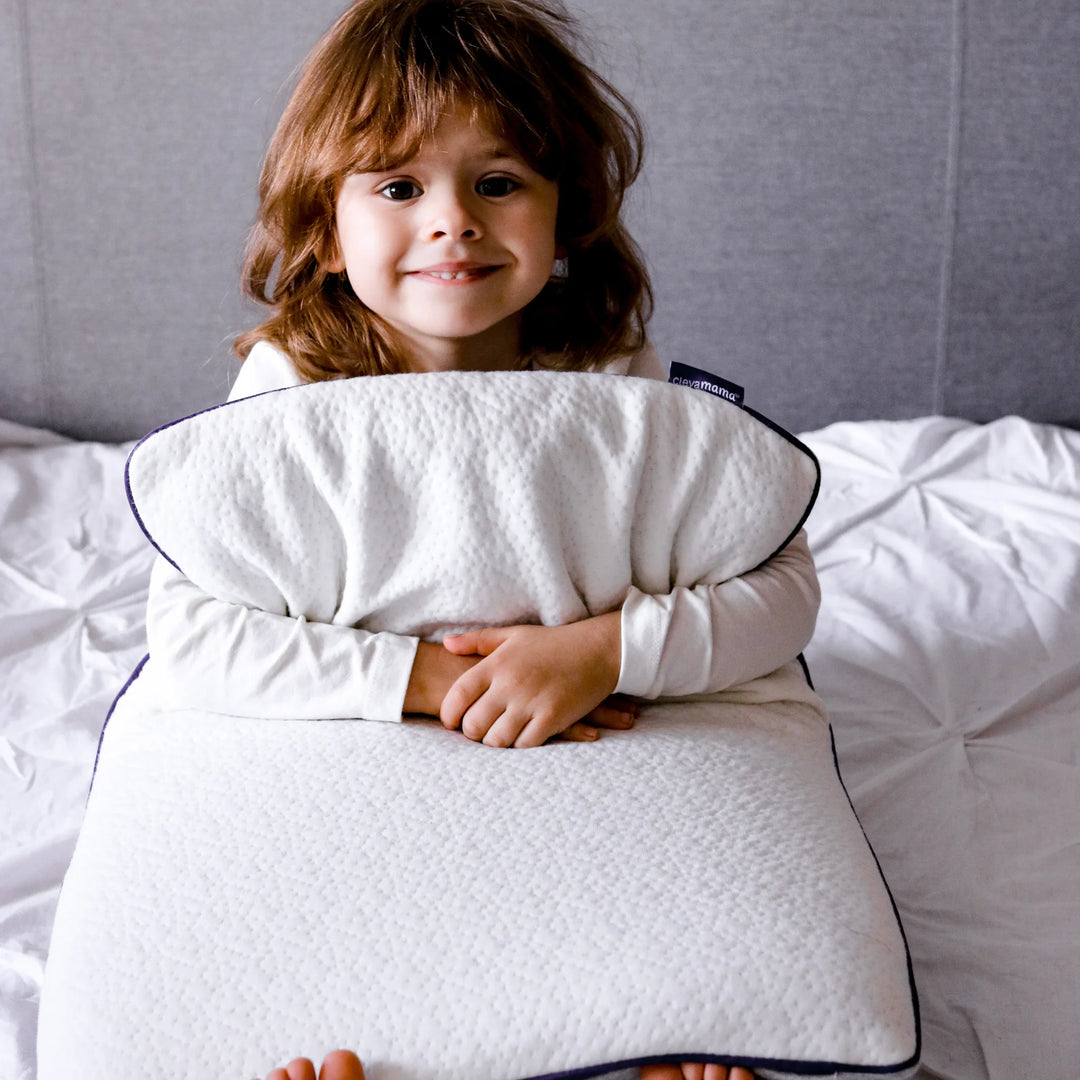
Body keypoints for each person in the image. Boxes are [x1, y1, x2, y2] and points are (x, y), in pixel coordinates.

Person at [148, 0, 816, 1076]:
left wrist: (601, 651)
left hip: (588, 733)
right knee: (317, 903)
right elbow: (190, 636)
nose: (453, 219)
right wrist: (419, 678)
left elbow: (781, 601)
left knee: (643, 893)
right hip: (370, 742)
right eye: (400, 186)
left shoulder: (615, 382)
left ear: (569, 211)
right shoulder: (287, 395)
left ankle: (634, 1034)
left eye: (498, 183)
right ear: (324, 222)